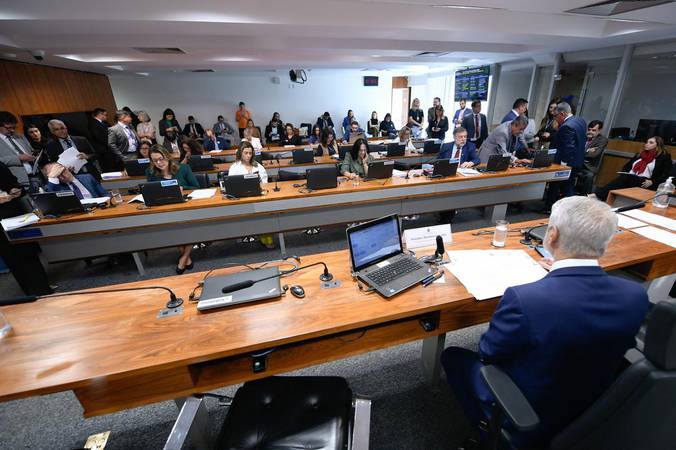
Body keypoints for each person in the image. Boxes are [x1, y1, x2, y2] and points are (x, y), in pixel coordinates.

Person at [441, 196, 649, 448]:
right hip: (594, 406)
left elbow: (488, 352)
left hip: (530, 413)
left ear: (551, 235)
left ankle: (490, 431)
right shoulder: (635, 295)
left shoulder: (524, 299)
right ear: (605, 243)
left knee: (453, 356)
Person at [0, 162, 52, 296]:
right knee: (11, 256)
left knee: (28, 251)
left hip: (15, 214)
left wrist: (15, 191)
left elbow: (16, 185)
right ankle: (30, 291)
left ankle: (43, 288)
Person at [147, 145, 199, 273]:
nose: (159, 163)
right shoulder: (150, 172)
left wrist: (182, 188)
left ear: (167, 157)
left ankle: (184, 258)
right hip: (165, 209)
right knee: (172, 228)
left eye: (161, 159)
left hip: (185, 207)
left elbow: (197, 186)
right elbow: (150, 190)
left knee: (191, 226)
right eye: (155, 160)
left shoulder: (183, 168)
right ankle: (186, 257)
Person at [594, 136, 673, 201]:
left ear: (658, 146)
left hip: (645, 182)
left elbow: (665, 175)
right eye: (647, 142)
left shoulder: (664, 158)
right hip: (631, 177)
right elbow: (626, 167)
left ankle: (598, 195)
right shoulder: (640, 155)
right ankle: (603, 197)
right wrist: (624, 173)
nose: (647, 144)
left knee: (625, 178)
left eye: (651, 142)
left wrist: (652, 182)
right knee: (624, 178)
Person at [229, 141, 274, 249]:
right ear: (240, 153)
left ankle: (266, 238)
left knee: (265, 214)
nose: (248, 155)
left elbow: (265, 182)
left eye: (250, 153)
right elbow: (230, 185)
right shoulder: (234, 167)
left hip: (257, 196)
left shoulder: (257, 166)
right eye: (246, 153)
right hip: (241, 199)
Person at [546, 102, 587, 206]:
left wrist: (563, 166)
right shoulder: (580, 121)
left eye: (556, 116)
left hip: (567, 163)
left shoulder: (566, 126)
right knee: (568, 186)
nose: (555, 119)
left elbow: (568, 148)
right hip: (577, 161)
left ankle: (550, 207)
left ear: (562, 114)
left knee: (563, 187)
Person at [0, 111, 40, 189]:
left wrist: (35, 154)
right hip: (17, 182)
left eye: (14, 127)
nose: (12, 130)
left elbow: (30, 151)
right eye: (8, 128)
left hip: (37, 177)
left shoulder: (20, 136)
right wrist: (18, 158)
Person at [43, 162, 108, 199]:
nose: (63, 177)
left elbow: (105, 194)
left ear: (66, 168)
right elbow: (51, 201)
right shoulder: (54, 188)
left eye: (63, 171)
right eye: (57, 175)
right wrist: (52, 178)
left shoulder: (87, 177)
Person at [577, 120, 609, 194]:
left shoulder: (602, 140)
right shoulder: (582, 137)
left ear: (599, 131)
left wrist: (580, 152)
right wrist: (587, 151)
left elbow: (594, 155)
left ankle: (586, 196)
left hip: (588, 167)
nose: (590, 132)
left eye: (594, 130)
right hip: (576, 164)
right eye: (589, 129)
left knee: (589, 176)